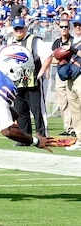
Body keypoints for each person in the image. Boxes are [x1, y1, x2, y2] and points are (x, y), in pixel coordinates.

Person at [7, 18, 50, 146]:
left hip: (33, 83)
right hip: (17, 83)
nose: (19, 31)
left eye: (21, 28)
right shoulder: (10, 42)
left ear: (25, 28)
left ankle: (43, 136)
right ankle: (25, 138)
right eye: (16, 29)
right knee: (20, 112)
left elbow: (48, 56)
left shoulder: (35, 41)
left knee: (37, 111)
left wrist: (41, 72)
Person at [54, 15, 81, 151]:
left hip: (80, 76)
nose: (78, 28)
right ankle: (80, 139)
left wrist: (73, 50)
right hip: (71, 77)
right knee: (74, 110)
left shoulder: (73, 43)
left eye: (80, 25)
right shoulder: (73, 40)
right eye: (76, 25)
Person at [50, 19, 75, 137]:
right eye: (62, 26)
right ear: (59, 28)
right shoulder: (57, 42)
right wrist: (62, 57)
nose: (64, 28)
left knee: (73, 101)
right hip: (60, 73)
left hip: (72, 73)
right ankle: (67, 127)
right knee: (63, 102)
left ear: (69, 28)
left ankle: (75, 127)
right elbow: (53, 58)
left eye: (66, 26)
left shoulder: (73, 41)